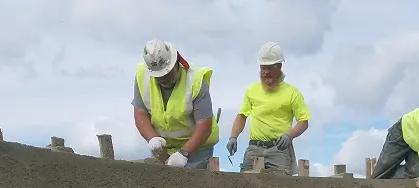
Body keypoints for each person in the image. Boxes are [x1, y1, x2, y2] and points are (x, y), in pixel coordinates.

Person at [132, 39, 219, 169]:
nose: (163, 79)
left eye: (166, 74)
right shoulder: (142, 76)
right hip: (164, 150)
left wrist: (184, 154)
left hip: (197, 149)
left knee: (195, 186)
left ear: (175, 63)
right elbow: (140, 113)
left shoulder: (195, 80)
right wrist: (152, 139)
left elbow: (204, 125)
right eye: (158, 76)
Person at [226, 42, 311, 175]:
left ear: (279, 67)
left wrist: (290, 135)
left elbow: (303, 122)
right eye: (263, 68)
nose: (266, 72)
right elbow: (242, 116)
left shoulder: (292, 93)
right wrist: (233, 137)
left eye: (270, 68)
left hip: (279, 149)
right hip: (254, 148)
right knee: (243, 186)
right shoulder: (252, 90)